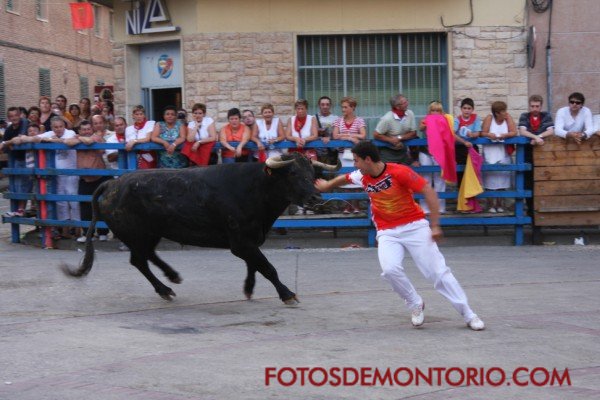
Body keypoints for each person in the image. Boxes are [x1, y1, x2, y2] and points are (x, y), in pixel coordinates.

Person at [314, 141, 484, 331]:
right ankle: (415, 303)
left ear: (368, 159)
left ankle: (468, 314)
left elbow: (428, 190)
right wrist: (328, 185)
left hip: (414, 226)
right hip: (387, 231)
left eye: (356, 161)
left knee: (437, 272)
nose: (354, 165)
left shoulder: (399, 172)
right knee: (390, 270)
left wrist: (435, 225)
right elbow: (343, 179)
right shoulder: (362, 175)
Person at [37, 117, 80, 238]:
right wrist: (49, 138)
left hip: (71, 172)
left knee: (73, 200)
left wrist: (54, 141)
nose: (58, 129)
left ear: (64, 126)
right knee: (61, 202)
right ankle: (65, 231)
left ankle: (78, 229)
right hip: (58, 174)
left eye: (60, 126)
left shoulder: (69, 133)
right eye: (55, 127)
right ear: (52, 128)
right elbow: (36, 138)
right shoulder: (50, 134)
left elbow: (70, 141)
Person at [416, 101, 456, 214]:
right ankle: (425, 208)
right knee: (426, 180)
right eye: (433, 110)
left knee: (439, 180)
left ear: (441, 112)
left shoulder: (445, 120)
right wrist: (428, 124)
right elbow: (421, 128)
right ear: (429, 111)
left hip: (440, 152)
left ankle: (440, 208)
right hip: (426, 152)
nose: (435, 113)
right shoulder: (425, 119)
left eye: (437, 111)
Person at [76, 120, 111, 242]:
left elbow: (90, 141)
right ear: (79, 130)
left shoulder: (97, 137)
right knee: (85, 206)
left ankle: (103, 232)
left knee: (101, 205)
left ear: (92, 130)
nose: (86, 131)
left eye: (88, 129)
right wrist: (80, 138)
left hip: (100, 177)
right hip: (84, 179)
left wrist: (79, 139)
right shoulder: (76, 137)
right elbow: (67, 141)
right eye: (83, 129)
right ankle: (87, 234)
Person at [331, 96, 366, 214]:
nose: (343, 109)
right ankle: (347, 206)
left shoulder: (359, 120)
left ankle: (356, 205)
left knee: (355, 180)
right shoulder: (338, 121)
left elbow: (363, 135)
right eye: (342, 107)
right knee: (345, 180)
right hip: (343, 154)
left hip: (355, 155)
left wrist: (346, 135)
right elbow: (335, 136)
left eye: (345, 107)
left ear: (352, 108)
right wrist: (351, 137)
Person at [481, 101, 517, 213]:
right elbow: (483, 132)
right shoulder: (489, 118)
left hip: (502, 151)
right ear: (497, 113)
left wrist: (504, 135)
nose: (506, 113)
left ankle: (500, 204)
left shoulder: (508, 118)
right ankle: (491, 204)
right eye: (503, 111)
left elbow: (513, 132)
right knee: (490, 179)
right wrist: (489, 135)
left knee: (503, 178)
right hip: (490, 151)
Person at [286, 99, 319, 215]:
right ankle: (299, 206)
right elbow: (288, 135)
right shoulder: (291, 119)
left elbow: (315, 135)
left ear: (306, 109)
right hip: (294, 151)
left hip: (307, 150)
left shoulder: (312, 119)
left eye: (302, 108)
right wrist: (296, 139)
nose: (300, 111)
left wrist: (304, 140)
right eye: (298, 108)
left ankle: (309, 205)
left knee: (308, 177)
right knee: (295, 178)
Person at [0, 107, 30, 217]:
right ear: (8, 118)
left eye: (15, 115)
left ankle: (21, 209)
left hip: (28, 159)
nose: (14, 118)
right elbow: (4, 146)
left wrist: (7, 143)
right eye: (11, 116)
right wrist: (8, 144)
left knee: (24, 185)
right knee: (16, 185)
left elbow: (18, 139)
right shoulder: (9, 129)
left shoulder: (25, 123)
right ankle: (18, 209)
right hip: (17, 159)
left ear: (19, 115)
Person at [373, 94, 417, 165]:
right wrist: (391, 140)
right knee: (388, 174)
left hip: (403, 151)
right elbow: (376, 134)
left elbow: (413, 133)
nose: (407, 104)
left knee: (403, 173)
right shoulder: (387, 118)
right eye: (404, 103)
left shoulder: (410, 113)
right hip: (387, 152)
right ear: (397, 107)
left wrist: (399, 138)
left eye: (406, 101)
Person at [453, 98, 481, 184]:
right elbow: (452, 134)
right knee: (461, 169)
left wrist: (472, 135)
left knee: (473, 168)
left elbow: (478, 133)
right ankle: (461, 191)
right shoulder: (457, 120)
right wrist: (464, 142)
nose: (467, 110)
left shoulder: (476, 118)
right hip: (460, 148)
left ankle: (472, 191)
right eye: (465, 108)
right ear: (461, 109)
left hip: (472, 148)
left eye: (469, 108)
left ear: (472, 109)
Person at [315, 96, 339, 166]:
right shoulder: (313, 118)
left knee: (331, 174)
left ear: (330, 105)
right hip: (317, 152)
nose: (325, 106)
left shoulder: (336, 118)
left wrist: (330, 137)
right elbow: (311, 134)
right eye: (322, 104)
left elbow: (338, 134)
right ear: (319, 105)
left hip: (332, 152)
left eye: (327, 104)